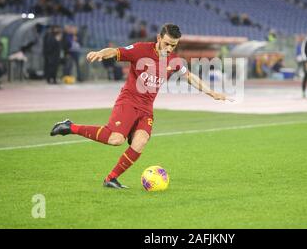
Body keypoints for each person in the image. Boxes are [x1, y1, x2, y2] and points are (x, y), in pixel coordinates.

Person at [50, 23, 232, 189]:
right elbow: (115, 51)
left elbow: (190, 77)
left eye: (173, 45)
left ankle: (111, 179)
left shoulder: (174, 61)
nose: (169, 49)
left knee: (140, 142)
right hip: (128, 102)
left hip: (146, 109)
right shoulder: (140, 49)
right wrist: (100, 53)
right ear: (159, 38)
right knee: (116, 140)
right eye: (167, 43)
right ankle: (70, 126)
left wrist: (213, 93)